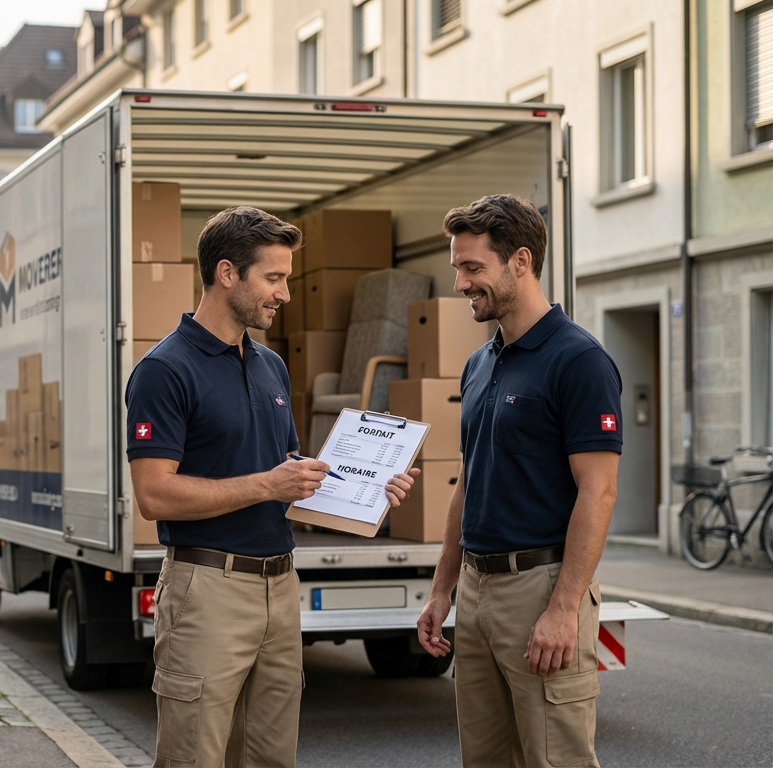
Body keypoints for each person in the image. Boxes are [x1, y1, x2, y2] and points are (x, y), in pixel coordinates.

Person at [127, 206, 419, 768]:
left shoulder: (270, 366)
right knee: (194, 758)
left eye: (287, 278)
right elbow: (155, 495)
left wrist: (366, 487)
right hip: (207, 588)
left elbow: (288, 475)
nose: (284, 293)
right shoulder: (165, 369)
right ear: (227, 273)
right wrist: (269, 483)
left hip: (280, 589)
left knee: (271, 758)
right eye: (274, 278)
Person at [416, 194, 622, 768]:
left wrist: (563, 609)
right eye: (458, 267)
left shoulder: (579, 360)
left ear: (521, 262)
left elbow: (598, 492)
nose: (460, 283)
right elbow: (469, 482)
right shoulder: (482, 362)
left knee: (555, 759)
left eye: (472, 268)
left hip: (542, 588)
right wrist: (442, 588)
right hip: (478, 593)